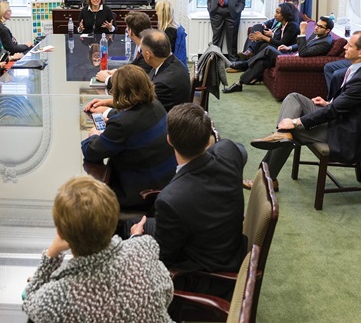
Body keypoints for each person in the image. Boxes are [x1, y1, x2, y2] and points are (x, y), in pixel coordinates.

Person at [129, 104, 247, 296]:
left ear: (169, 140)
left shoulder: (170, 199)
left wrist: (137, 238)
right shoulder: (228, 151)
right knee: (135, 222)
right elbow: (241, 151)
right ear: (207, 139)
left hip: (203, 274)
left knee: (132, 226)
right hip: (230, 247)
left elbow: (164, 258)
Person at [22, 176, 173, 322]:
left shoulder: (56, 297)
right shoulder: (144, 247)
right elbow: (167, 293)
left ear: (61, 233)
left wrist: (51, 255)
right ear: (114, 220)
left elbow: (29, 300)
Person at [248, 31, 361, 185]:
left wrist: (295, 122)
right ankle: (282, 135)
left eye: (349, 45)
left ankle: (266, 180)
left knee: (290, 133)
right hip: (342, 118)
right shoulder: (360, 69)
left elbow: (334, 112)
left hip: (348, 132)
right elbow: (347, 104)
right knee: (294, 97)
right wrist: (329, 102)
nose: (345, 47)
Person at [81, 65, 177, 208]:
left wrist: (93, 135)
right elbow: (134, 117)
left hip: (142, 194)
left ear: (118, 92)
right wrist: (108, 112)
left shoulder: (121, 125)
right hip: (168, 182)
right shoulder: (155, 105)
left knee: (90, 198)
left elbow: (91, 152)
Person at [224, 15, 333, 93]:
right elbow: (303, 45)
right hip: (292, 54)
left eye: (320, 26)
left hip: (296, 61)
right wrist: (289, 47)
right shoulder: (317, 34)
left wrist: (303, 32)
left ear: (327, 30)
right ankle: (239, 83)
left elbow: (304, 52)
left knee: (269, 49)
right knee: (262, 62)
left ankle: (244, 64)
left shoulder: (325, 43)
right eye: (317, 24)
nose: (316, 27)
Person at [95, 11, 152, 86]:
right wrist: (117, 71)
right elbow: (134, 66)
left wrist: (107, 79)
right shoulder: (144, 46)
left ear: (130, 32)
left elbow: (136, 82)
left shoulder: (147, 52)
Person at [155, 0, 187, 66]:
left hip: (172, 67)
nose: (156, 13)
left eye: (157, 11)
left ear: (162, 14)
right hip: (179, 65)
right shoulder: (177, 27)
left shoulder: (169, 31)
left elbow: (165, 55)